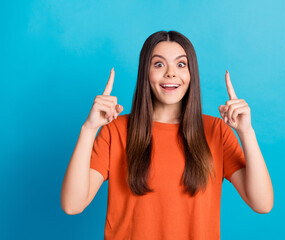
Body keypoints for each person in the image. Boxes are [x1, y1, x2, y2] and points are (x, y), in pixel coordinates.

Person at [61, 30, 273, 240]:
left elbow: (262, 204)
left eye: (181, 64)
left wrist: (246, 132)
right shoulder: (114, 131)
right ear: (146, 72)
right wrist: (89, 129)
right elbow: (72, 205)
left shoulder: (216, 131)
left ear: (191, 74)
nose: (171, 73)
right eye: (159, 64)